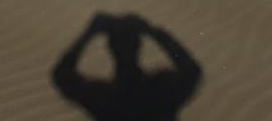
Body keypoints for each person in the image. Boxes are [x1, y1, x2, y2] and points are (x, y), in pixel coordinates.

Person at [52, 13, 201, 121]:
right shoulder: (163, 89)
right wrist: (153, 31)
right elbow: (192, 71)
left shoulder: (103, 98)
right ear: (139, 45)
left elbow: (62, 75)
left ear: (109, 48)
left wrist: (89, 33)